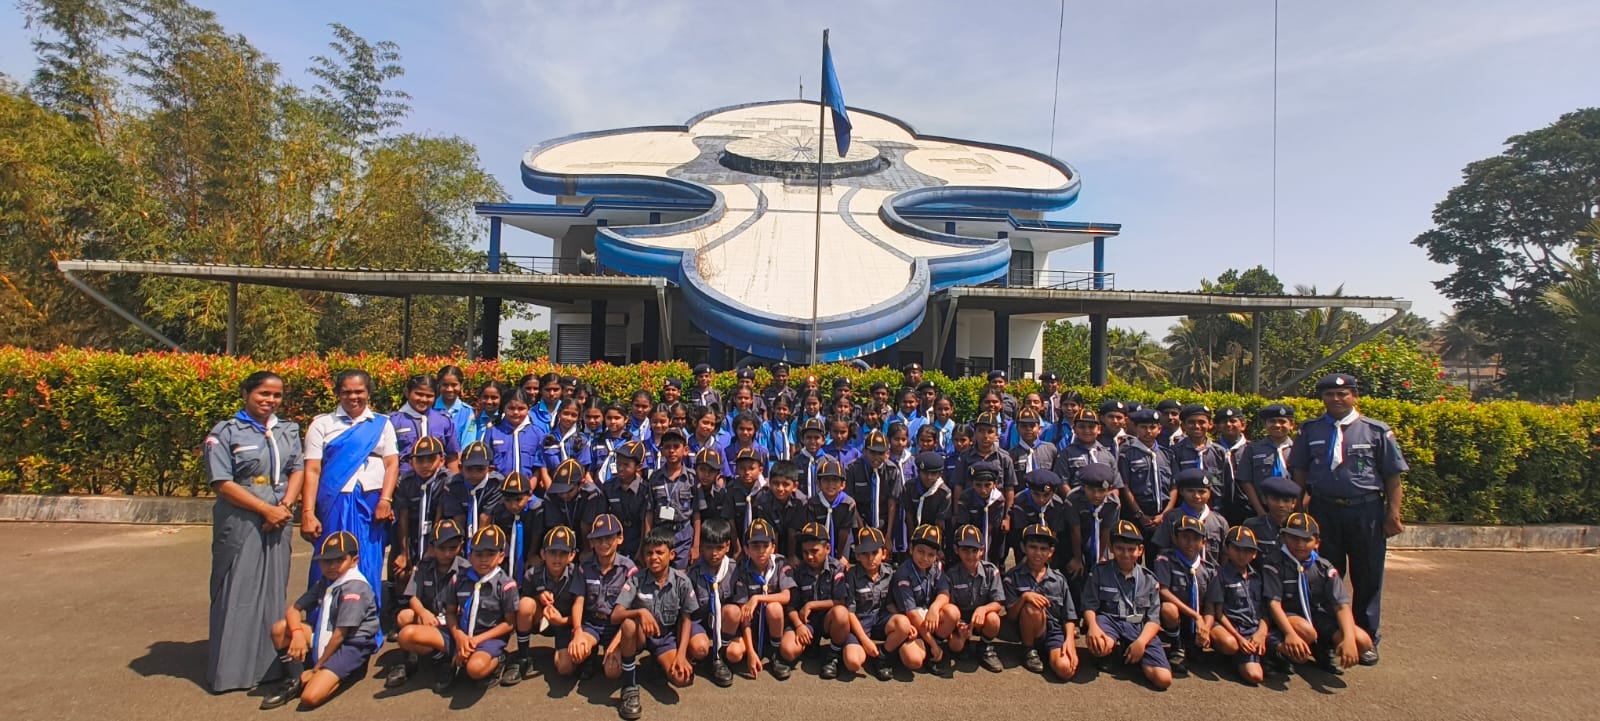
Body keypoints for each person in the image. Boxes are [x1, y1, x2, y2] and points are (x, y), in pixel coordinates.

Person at [1289, 373, 1407, 666]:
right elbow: (1300, 471)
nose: (1336, 399)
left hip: (1365, 510)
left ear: (1354, 396)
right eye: (1329, 394)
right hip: (1324, 510)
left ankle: (1367, 637)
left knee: (1367, 575)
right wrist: (1299, 510)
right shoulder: (1310, 430)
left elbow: (1392, 477)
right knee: (1325, 575)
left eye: (1342, 394)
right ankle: (1330, 638)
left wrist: (1393, 513)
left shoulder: (1376, 431)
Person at [205, 371, 304, 694]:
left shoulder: (288, 430)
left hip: (279, 520)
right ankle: (231, 673)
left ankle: (269, 667)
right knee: (238, 590)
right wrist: (265, 509)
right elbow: (222, 482)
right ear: (246, 393)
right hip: (242, 521)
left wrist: (285, 506)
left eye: (276, 395)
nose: (270, 400)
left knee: (273, 591)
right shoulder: (226, 432)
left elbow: (297, 469)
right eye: (263, 393)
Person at [300, 370, 399, 619]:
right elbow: (312, 470)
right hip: (333, 503)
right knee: (331, 560)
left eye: (359, 391)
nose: (353, 397)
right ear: (338, 393)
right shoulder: (322, 424)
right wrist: (308, 512)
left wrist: (385, 500)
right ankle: (324, 622)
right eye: (346, 392)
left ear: (368, 393)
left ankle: (365, 624)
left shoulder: (382, 424)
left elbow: (392, 465)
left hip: (370, 506)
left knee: (368, 562)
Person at [259, 531, 380, 710]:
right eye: (326, 561)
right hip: (327, 635)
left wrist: (317, 668)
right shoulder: (327, 581)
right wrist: (297, 634)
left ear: (354, 560)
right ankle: (294, 679)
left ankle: (344, 672)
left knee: (310, 697)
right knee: (280, 629)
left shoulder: (355, 588)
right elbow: (293, 610)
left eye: (339, 560)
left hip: (351, 644)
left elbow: (340, 635)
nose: (332, 566)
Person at [1263, 512, 1374, 675]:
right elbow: (1274, 604)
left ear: (1317, 542)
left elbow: (1341, 606)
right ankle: (1274, 648)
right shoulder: (1274, 563)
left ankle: (1321, 648)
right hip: (1287, 617)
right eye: (1294, 538)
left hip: (1317, 617)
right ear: (1283, 538)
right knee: (1306, 632)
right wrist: (1290, 634)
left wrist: (1349, 640)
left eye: (1306, 539)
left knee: (1363, 642)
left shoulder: (1323, 567)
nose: (1300, 544)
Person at [614, 529, 704, 720]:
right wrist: (640, 612)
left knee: (682, 678)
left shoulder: (682, 581)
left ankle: (656, 663)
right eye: (649, 553)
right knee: (628, 624)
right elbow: (616, 615)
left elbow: (686, 619)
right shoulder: (636, 579)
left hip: (665, 639)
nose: (654, 557)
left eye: (659, 552)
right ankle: (629, 685)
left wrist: (681, 655)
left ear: (671, 555)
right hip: (641, 637)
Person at [1082, 520, 1172, 690]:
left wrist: (1141, 643)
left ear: (1140, 550)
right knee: (1100, 645)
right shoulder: (1099, 572)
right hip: (1110, 621)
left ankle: (1132, 654)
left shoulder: (1149, 579)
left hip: (1137, 626)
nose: (1125, 554)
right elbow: (1089, 605)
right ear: (1111, 548)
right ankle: (1107, 655)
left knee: (1163, 679)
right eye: (1120, 548)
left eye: (1131, 549)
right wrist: (1092, 627)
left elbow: (1154, 620)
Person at [386, 518, 468, 689]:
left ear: (461, 545)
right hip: (430, 618)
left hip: (454, 623)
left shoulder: (466, 569)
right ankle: (409, 661)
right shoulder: (424, 566)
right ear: (432, 547)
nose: (447, 553)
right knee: (404, 616)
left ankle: (446, 661)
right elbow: (413, 597)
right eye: (441, 548)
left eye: (452, 548)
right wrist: (423, 612)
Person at [1003, 523, 1078, 680]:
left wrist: (1070, 642)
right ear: (1023, 547)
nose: (1038, 553)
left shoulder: (1059, 579)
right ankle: (1029, 650)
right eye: (1033, 547)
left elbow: (1069, 616)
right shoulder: (1013, 576)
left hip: (1054, 632)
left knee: (1065, 670)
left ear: (1051, 552)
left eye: (1043, 549)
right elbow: (1010, 615)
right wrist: (1024, 597)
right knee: (1032, 606)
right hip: (1026, 631)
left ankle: (1050, 653)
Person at [568, 515, 635, 682]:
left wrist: (616, 643)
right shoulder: (584, 567)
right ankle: (589, 655)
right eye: (598, 539)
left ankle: (611, 653)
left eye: (609, 538)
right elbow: (578, 602)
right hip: (592, 624)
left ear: (619, 539)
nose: (603, 543)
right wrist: (578, 632)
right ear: (591, 542)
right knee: (574, 656)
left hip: (615, 627)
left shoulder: (628, 569)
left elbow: (632, 611)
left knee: (612, 672)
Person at [825, 527, 896, 681]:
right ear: (857, 556)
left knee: (903, 624)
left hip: (880, 621)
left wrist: (906, 624)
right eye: (864, 553)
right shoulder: (851, 575)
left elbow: (890, 604)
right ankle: (845, 652)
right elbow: (850, 613)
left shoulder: (889, 573)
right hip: (859, 624)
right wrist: (865, 640)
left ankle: (882, 657)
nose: (870, 558)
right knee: (853, 663)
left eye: (875, 552)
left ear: (884, 553)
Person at [887, 524, 955, 676]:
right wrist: (932, 644)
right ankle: (929, 646)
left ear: (936, 555)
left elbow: (944, 592)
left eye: (931, 554)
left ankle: (932, 649)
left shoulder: (936, 567)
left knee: (952, 612)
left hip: (927, 617)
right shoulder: (903, 574)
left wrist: (934, 608)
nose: (925, 558)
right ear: (911, 548)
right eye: (920, 551)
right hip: (909, 622)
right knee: (914, 661)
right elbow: (911, 614)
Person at [777, 522, 843, 678]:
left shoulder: (837, 568)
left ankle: (833, 656)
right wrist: (799, 626)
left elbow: (841, 601)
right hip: (806, 622)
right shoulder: (799, 571)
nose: (810, 557)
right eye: (805, 552)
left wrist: (811, 604)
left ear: (828, 548)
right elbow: (791, 606)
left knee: (841, 613)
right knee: (788, 651)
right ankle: (810, 643)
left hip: (828, 620)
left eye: (814, 551)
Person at [1154, 514, 1217, 675]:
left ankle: (1195, 644)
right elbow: (1164, 591)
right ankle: (1177, 645)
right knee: (1168, 609)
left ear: (1203, 543)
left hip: (1198, 619)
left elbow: (1210, 603)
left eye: (1196, 539)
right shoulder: (1165, 560)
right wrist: (1195, 616)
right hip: (1178, 616)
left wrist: (1205, 626)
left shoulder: (1209, 569)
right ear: (1175, 538)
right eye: (1185, 537)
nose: (1190, 543)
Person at [1207, 525, 1271, 685]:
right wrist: (1239, 638)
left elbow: (1265, 611)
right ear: (1227, 549)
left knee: (1284, 648)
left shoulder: (1258, 577)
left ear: (1255, 553)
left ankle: (1271, 657)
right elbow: (1219, 614)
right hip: (1234, 628)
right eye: (1237, 549)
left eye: (1248, 550)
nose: (1242, 555)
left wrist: (1261, 633)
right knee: (1253, 675)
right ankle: (1233, 657)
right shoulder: (1220, 575)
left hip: (1255, 629)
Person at [686, 518, 745, 688]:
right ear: (701, 547)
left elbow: (741, 604)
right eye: (709, 547)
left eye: (719, 548)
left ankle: (719, 656)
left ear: (728, 546)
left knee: (734, 611)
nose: (714, 553)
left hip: (724, 623)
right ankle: (705, 658)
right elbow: (686, 613)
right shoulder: (694, 573)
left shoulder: (733, 569)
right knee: (700, 649)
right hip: (700, 621)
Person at [734, 519, 795, 680]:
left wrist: (757, 598)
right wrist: (750, 651)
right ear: (746, 549)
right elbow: (744, 616)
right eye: (755, 546)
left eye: (765, 546)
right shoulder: (742, 570)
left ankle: (775, 654)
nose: (760, 551)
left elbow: (786, 596)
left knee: (774, 607)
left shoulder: (780, 563)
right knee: (734, 654)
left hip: (776, 624)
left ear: (773, 547)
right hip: (752, 626)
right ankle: (753, 649)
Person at [944, 524, 1007, 673]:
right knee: (955, 646)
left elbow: (998, 602)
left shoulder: (991, 571)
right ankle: (963, 644)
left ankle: (984, 646)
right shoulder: (951, 574)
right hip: (961, 620)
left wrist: (983, 609)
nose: (970, 555)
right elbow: (949, 606)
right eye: (965, 550)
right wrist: (959, 624)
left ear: (982, 551)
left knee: (994, 619)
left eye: (975, 550)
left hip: (981, 619)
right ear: (956, 550)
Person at [390, 374, 461, 478]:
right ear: (407, 393)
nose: (423, 399)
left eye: (429, 396)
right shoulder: (394, 421)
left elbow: (452, 456)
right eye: (419, 394)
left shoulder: (443, 421)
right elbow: (389, 459)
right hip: (404, 481)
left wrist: (455, 482)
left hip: (438, 481)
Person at [1152, 469, 1229, 561]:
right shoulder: (1172, 518)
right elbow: (1162, 551)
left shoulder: (1219, 522)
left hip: (1212, 569)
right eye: (1190, 491)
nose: (1196, 496)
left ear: (1209, 493)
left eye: (1202, 492)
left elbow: (1225, 554)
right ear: (1181, 491)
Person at [1120, 408, 1176, 534]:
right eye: (1143, 427)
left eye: (1152, 427)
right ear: (1136, 428)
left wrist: (1165, 514)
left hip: (1163, 515)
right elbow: (1125, 486)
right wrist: (1140, 514)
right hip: (1138, 514)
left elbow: (1174, 486)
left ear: (1159, 429)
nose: (1148, 431)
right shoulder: (1127, 454)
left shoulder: (1167, 454)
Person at [648, 427, 697, 567]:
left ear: (685, 450)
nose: (671, 450)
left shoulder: (692, 478)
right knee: (660, 570)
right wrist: (647, 539)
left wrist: (696, 545)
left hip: (684, 535)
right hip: (661, 534)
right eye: (667, 447)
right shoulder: (655, 477)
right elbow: (649, 510)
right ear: (662, 450)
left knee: (681, 573)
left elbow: (697, 513)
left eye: (676, 446)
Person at [1238, 404, 1298, 519]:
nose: (1277, 425)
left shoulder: (1299, 448)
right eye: (1272, 421)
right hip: (1263, 508)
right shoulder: (1253, 449)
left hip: (1292, 508)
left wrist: (1299, 507)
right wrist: (1259, 510)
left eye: (1282, 421)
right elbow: (1246, 481)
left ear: (1291, 425)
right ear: (1265, 425)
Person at [896, 451, 953, 558]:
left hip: (934, 533)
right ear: (918, 472)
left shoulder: (944, 493)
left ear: (940, 474)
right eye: (925, 473)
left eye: (933, 474)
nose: (929, 477)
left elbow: (940, 524)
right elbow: (909, 516)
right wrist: (912, 541)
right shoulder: (910, 487)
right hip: (914, 530)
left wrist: (937, 546)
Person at [602, 441, 652, 560]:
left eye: (626, 465)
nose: (620, 468)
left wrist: (641, 552)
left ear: (639, 467)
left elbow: (645, 525)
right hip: (614, 540)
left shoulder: (644, 490)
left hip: (637, 540)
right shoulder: (608, 488)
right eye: (618, 463)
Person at [845, 429, 900, 535]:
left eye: (880, 453)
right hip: (859, 521)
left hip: (883, 522)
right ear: (864, 451)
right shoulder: (852, 469)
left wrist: (888, 535)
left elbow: (892, 503)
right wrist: (862, 529)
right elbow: (850, 500)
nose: (876, 457)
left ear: (887, 454)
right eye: (872, 452)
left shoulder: (892, 470)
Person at [806, 457, 861, 561]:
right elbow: (813, 533)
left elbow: (844, 531)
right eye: (826, 480)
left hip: (842, 544)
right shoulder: (813, 503)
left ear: (843, 485)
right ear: (819, 484)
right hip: (818, 543)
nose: (830, 484)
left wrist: (840, 556)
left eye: (835, 480)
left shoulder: (848, 503)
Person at [954, 461, 1008, 566]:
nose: (983, 490)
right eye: (978, 485)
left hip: (991, 536)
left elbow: (992, 526)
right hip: (969, 534)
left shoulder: (998, 500)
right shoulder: (965, 498)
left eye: (987, 485)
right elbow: (963, 524)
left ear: (995, 484)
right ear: (972, 483)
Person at [486, 389, 543, 481]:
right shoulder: (493, 431)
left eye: (521, 409)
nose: (516, 412)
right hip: (498, 486)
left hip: (528, 486)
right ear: (503, 408)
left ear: (528, 409)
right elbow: (487, 462)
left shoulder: (537, 433)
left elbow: (539, 465)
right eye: (511, 408)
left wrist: (531, 485)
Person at [1246, 476, 1301, 562]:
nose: (1280, 505)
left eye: (1286, 501)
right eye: (1275, 499)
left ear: (1293, 503)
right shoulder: (1253, 526)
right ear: (1264, 499)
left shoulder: (1300, 527)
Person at [433, 365, 477, 452]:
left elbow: (468, 442)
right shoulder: (431, 408)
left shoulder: (468, 412)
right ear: (439, 385)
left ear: (461, 385)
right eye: (445, 385)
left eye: (454, 385)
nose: (449, 389)